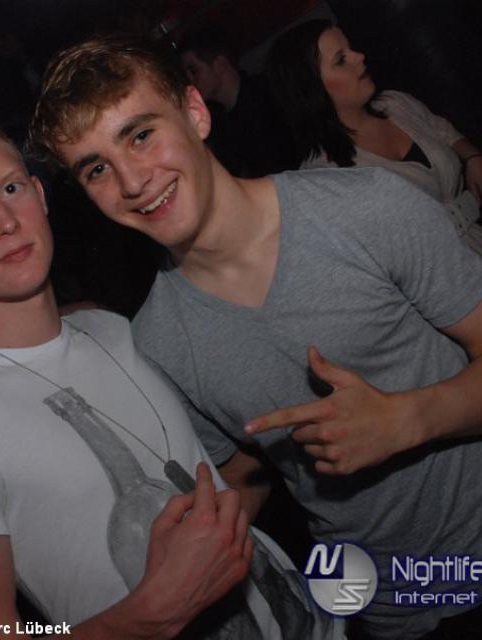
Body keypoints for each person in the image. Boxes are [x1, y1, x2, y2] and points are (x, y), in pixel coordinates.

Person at [29, 33, 482, 639]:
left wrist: (408, 419)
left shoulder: (368, 209)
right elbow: (247, 473)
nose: (132, 181)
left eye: (140, 135)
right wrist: (165, 572)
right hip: (381, 609)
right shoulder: (157, 343)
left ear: (195, 112)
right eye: (96, 169)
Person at [0, 107, 337, 640]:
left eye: (9, 188)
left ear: (39, 194)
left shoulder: (110, 330)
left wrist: (300, 436)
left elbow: (213, 490)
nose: (4, 222)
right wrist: (153, 613)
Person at [267, 19, 482, 253]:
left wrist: (472, 157)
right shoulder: (322, 178)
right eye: (341, 59)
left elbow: (442, 131)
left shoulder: (395, 104)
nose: (359, 57)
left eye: (351, 48)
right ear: (311, 88)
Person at [180, 27, 295, 177]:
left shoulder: (270, 96)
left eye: (194, 70)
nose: (190, 80)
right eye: (187, 74)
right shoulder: (216, 126)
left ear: (220, 64)